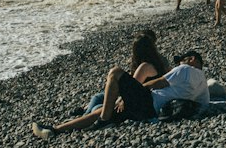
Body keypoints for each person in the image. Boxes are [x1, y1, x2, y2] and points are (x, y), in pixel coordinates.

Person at [32, 52, 210, 137]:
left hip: (149, 103)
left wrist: (128, 95)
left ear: (192, 59)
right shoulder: (203, 85)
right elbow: (204, 105)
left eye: (184, 59)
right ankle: (55, 130)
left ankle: (103, 121)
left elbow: (157, 83)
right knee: (102, 110)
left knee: (115, 73)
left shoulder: (185, 69)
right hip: (152, 113)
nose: (181, 63)